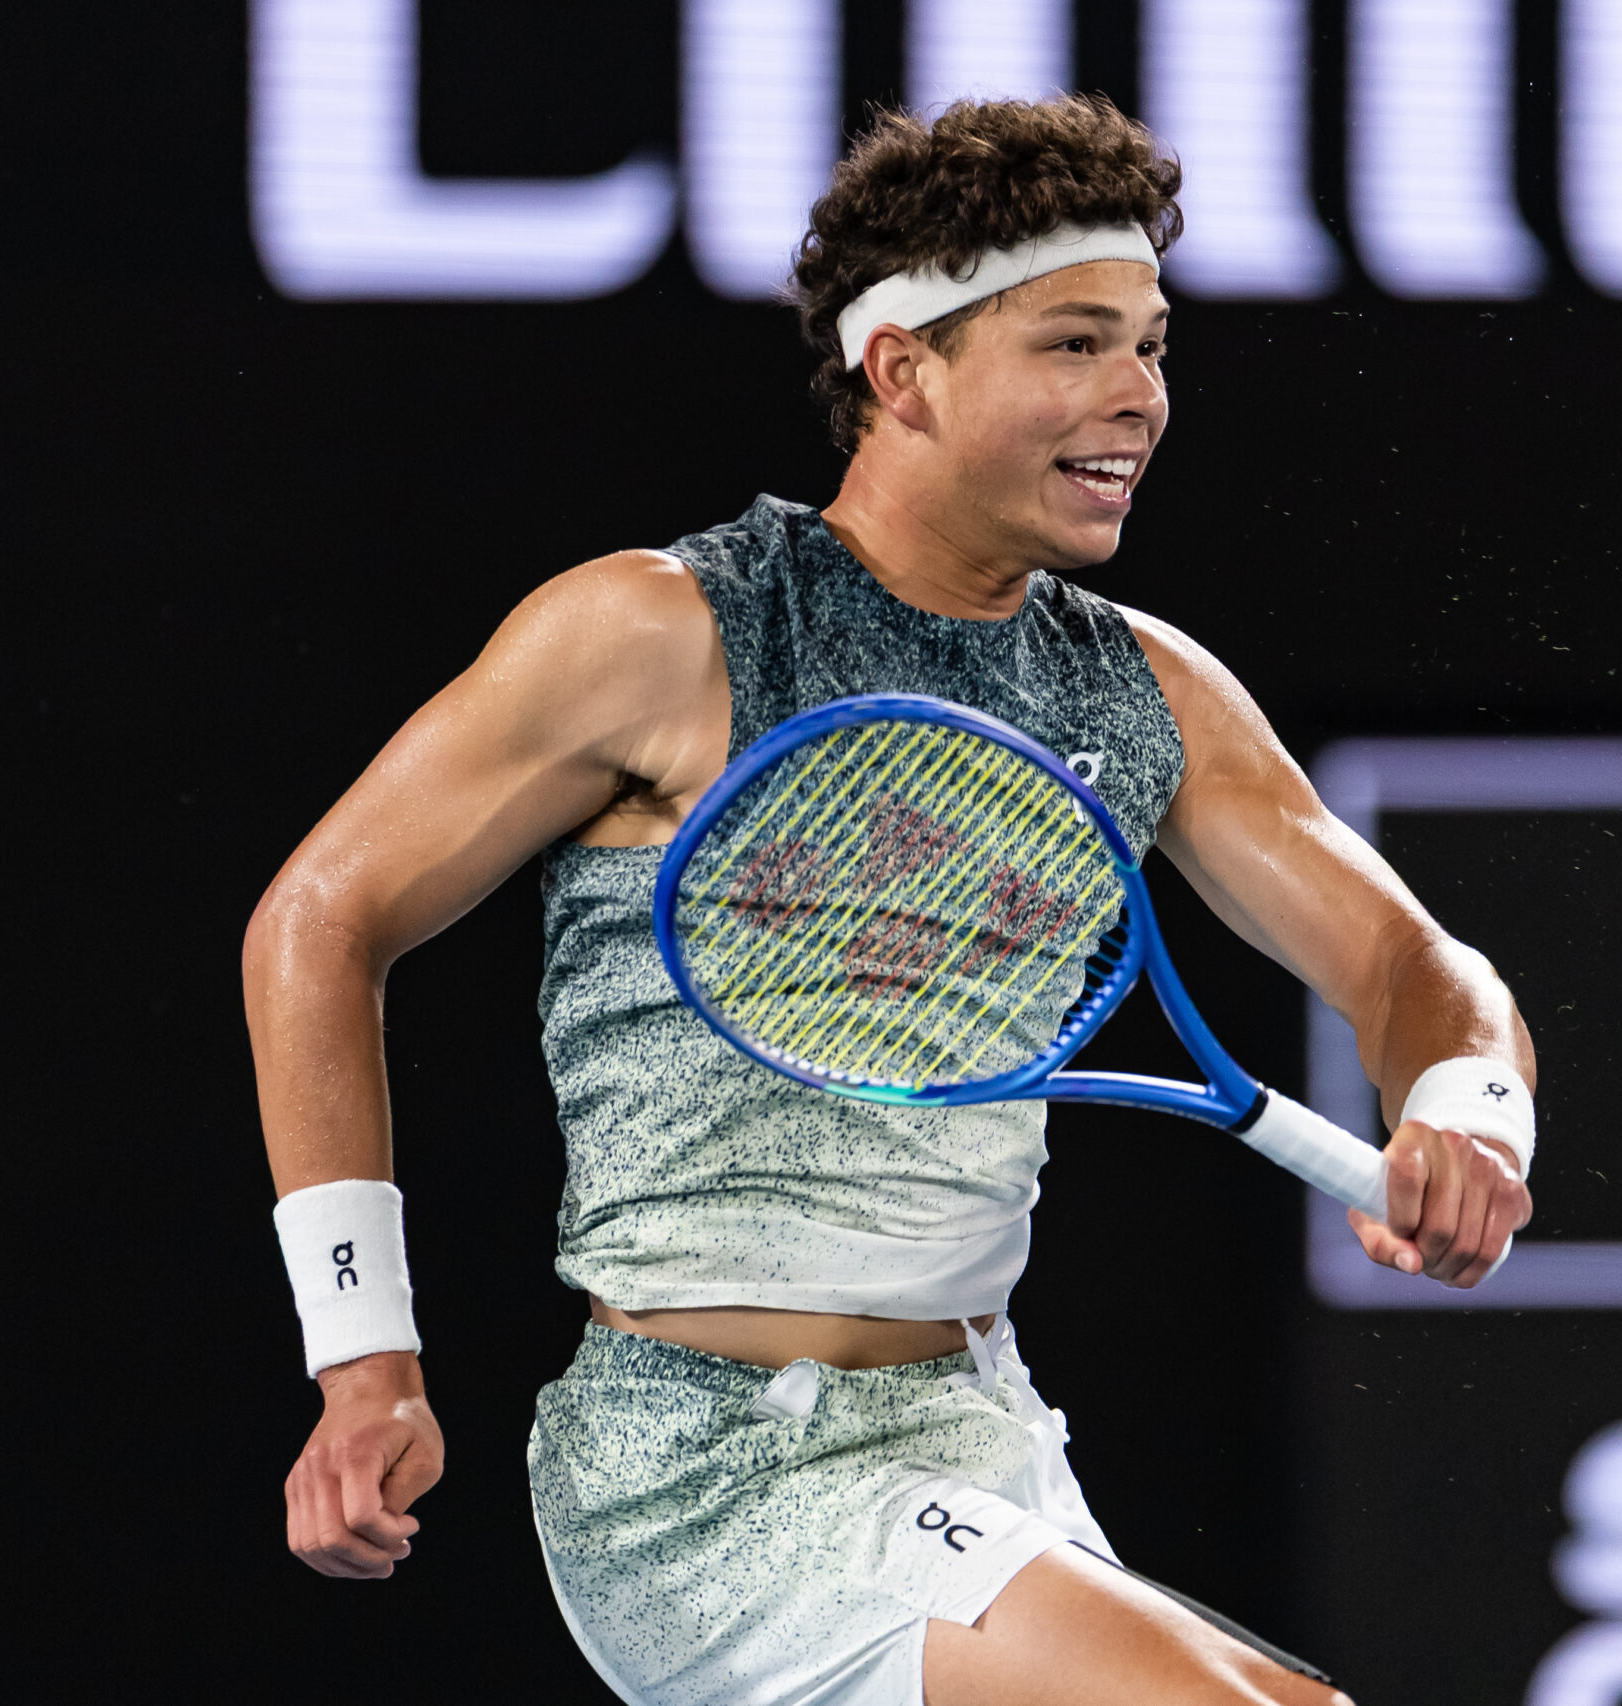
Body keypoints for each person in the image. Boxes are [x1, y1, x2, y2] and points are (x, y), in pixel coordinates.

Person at [243, 95, 1534, 1706]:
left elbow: (1412, 961)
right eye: (1075, 343)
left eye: (1149, 344)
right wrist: (364, 1357)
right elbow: (317, 919)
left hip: (974, 1435)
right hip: (704, 1470)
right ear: (900, 369)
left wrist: (1473, 1110)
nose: (1138, 395)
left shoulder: (1143, 696)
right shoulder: (659, 632)